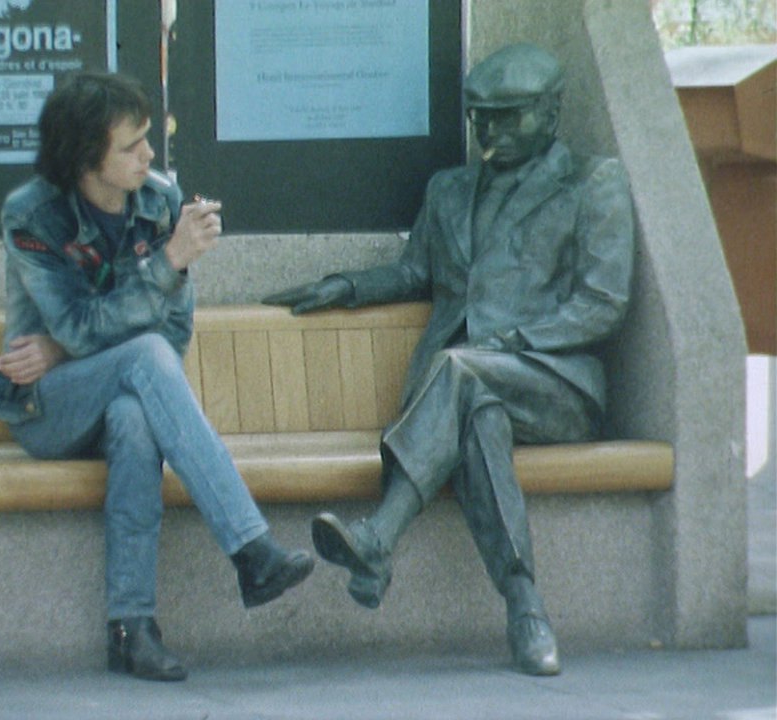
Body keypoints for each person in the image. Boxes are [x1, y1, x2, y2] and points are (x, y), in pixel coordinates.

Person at [263, 43, 634, 676]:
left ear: (551, 113)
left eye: (508, 115)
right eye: (480, 117)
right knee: (477, 416)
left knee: (464, 372)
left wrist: (511, 343)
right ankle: (526, 610)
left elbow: (601, 303)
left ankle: (379, 537)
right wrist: (346, 286)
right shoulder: (449, 189)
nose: (490, 131)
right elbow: (415, 271)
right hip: (470, 389)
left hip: (555, 384)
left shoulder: (591, 183)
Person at [0, 71, 313, 682]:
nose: (149, 156)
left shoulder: (160, 200)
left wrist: (61, 344)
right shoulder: (31, 215)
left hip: (121, 390)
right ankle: (250, 549)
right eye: (131, 146)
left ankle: (132, 631)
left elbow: (173, 335)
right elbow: (83, 328)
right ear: (86, 158)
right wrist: (168, 264)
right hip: (46, 408)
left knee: (136, 418)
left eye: (147, 140)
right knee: (144, 355)